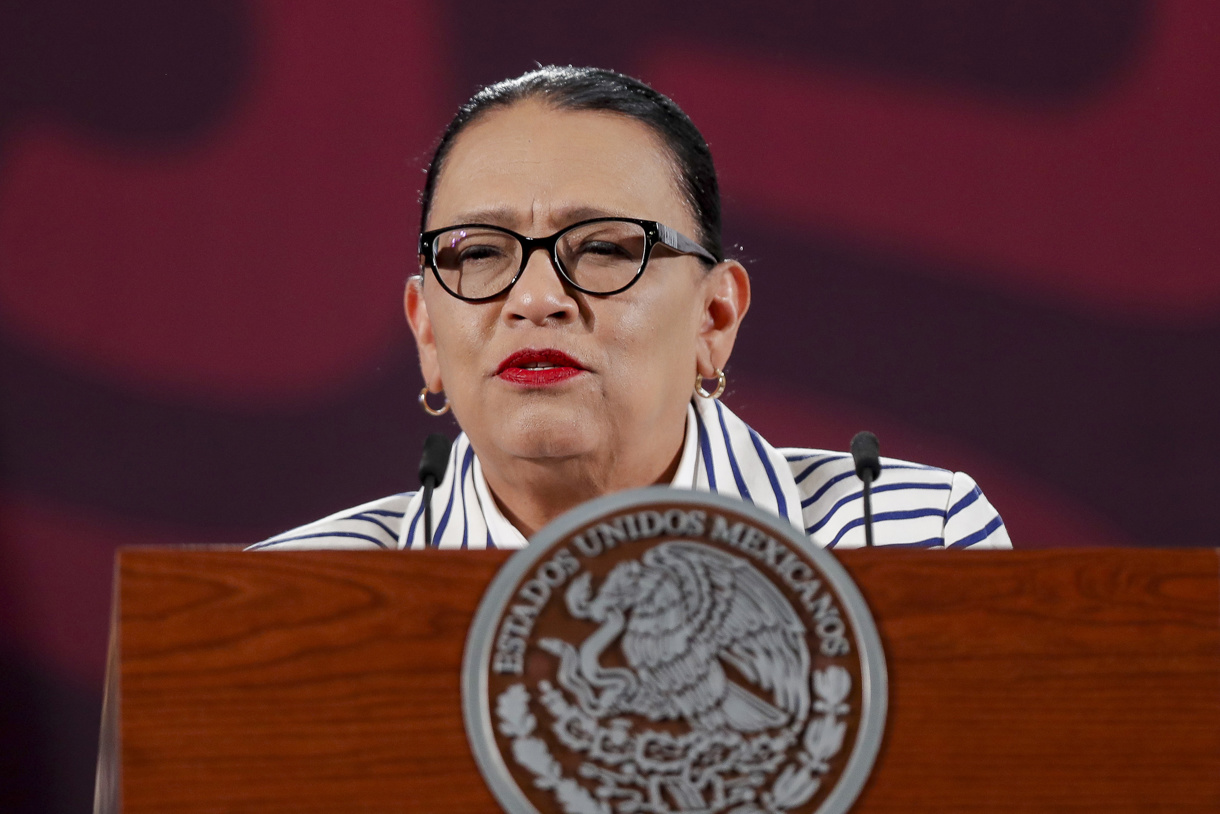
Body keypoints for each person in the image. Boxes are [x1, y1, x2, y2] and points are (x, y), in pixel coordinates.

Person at [250, 66, 1009, 552]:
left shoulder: (911, 537)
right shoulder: (290, 598)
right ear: (426, 332)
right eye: (479, 254)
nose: (537, 300)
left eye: (605, 249)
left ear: (714, 320)